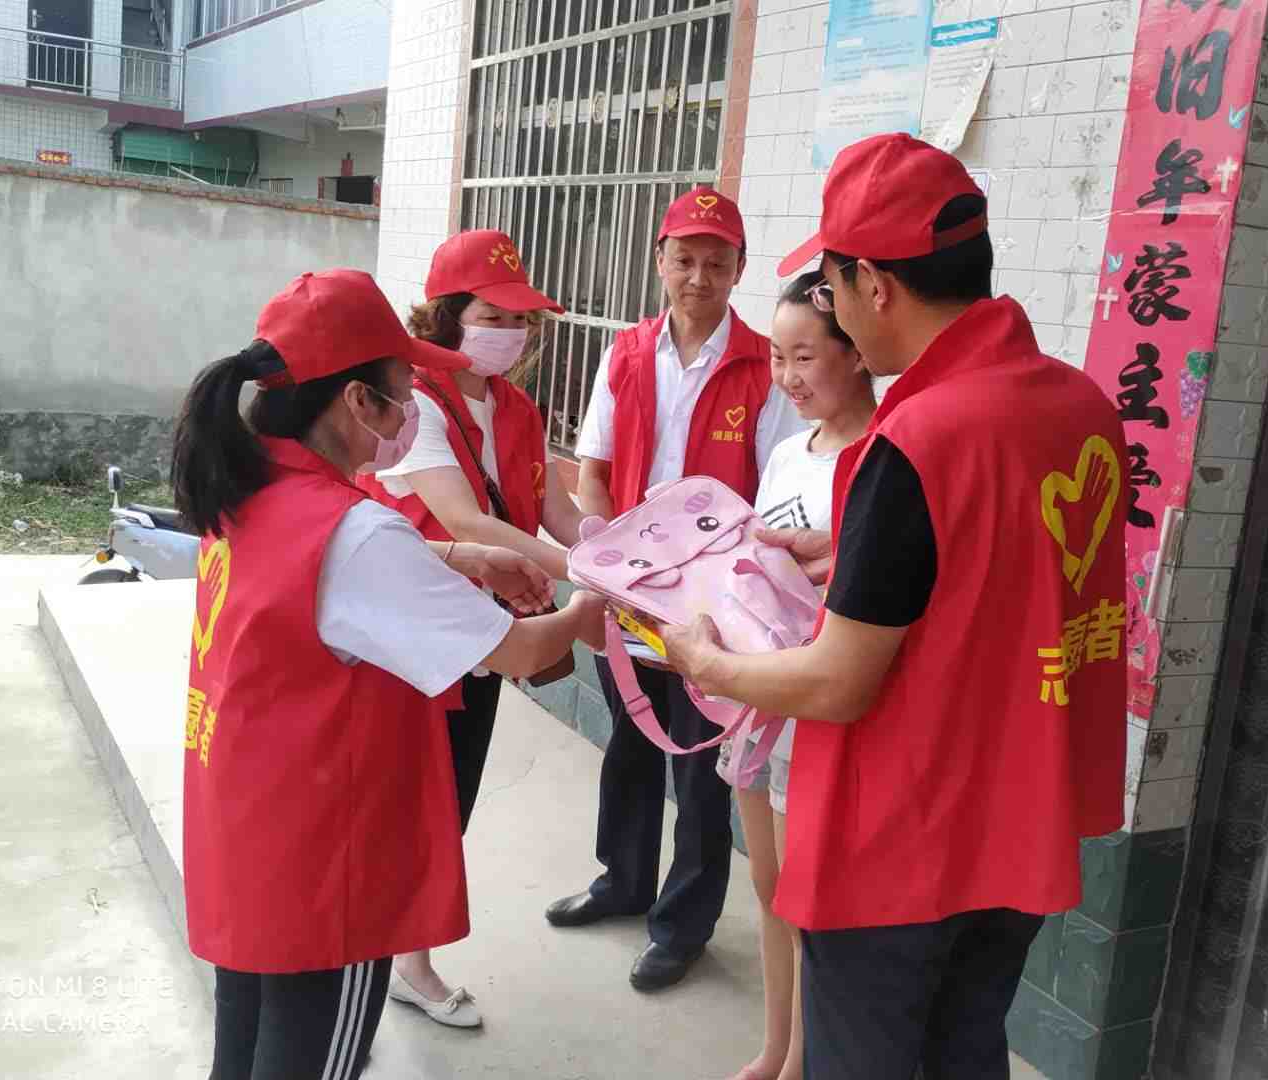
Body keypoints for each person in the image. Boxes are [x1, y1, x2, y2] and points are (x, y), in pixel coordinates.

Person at [659, 135, 1129, 1080]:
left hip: (904, 842)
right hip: (1019, 821)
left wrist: (705, 663)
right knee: (966, 1049)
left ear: (873, 285)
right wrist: (851, 555)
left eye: (831, 287)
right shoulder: (1080, 405)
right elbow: (997, 575)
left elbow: (836, 683)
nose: (831, 306)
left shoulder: (918, 436)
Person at [170, 269, 605, 1080]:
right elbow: (517, 651)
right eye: (403, 391)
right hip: (326, 864)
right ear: (355, 402)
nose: (410, 411)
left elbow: (328, 583)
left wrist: (449, 554)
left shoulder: (246, 488)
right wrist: (596, 607)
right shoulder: (356, 531)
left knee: (246, 1047)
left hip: (251, 832)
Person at [546, 186, 808, 993]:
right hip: (631, 595)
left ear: (739, 270)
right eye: (685, 260)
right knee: (629, 744)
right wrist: (604, 563)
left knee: (701, 770)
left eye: (717, 264)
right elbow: (593, 468)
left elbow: (772, 492)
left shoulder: (762, 365)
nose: (699, 277)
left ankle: (683, 925)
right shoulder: (626, 354)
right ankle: (622, 881)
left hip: (712, 610)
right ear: (660, 260)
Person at [357, 229, 587, 1028]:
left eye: (521, 319)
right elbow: (464, 520)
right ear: (448, 314)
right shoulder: (413, 404)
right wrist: (588, 576)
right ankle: (384, 964)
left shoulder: (517, 409)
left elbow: (557, 511)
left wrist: (622, 550)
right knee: (404, 801)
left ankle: (405, 959)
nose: (511, 334)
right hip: (412, 639)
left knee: (450, 798)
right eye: (493, 316)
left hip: (481, 638)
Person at [717, 269, 876, 1080]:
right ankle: (777, 1044)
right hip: (760, 693)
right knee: (767, 879)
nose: (787, 377)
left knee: (807, 892)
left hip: (817, 698)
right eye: (778, 358)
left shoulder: (881, 459)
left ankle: (806, 1059)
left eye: (805, 357)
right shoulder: (785, 453)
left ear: (857, 352)